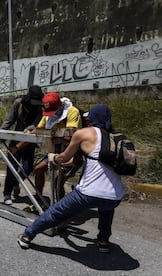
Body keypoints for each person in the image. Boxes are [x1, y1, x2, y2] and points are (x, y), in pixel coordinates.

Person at [17, 104, 125, 254]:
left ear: (93, 118)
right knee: (106, 210)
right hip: (116, 195)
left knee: (55, 212)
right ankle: (103, 241)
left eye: (89, 118)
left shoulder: (84, 133)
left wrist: (53, 157)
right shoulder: (117, 137)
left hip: (89, 193)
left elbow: (64, 158)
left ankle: (27, 235)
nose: (87, 120)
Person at [28, 92, 82, 199]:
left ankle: (60, 208)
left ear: (60, 105)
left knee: (58, 180)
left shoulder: (72, 111)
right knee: (39, 168)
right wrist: (33, 131)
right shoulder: (47, 114)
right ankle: (39, 200)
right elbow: (39, 129)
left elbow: (69, 133)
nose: (50, 115)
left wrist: (48, 132)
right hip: (55, 149)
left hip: (72, 151)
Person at [0, 85, 44, 205]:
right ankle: (7, 194)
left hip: (29, 143)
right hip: (15, 141)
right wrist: (0, 134)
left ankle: (15, 183)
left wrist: (31, 129)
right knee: (11, 168)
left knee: (27, 168)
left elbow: (40, 123)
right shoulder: (19, 103)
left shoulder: (41, 106)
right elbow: (9, 120)